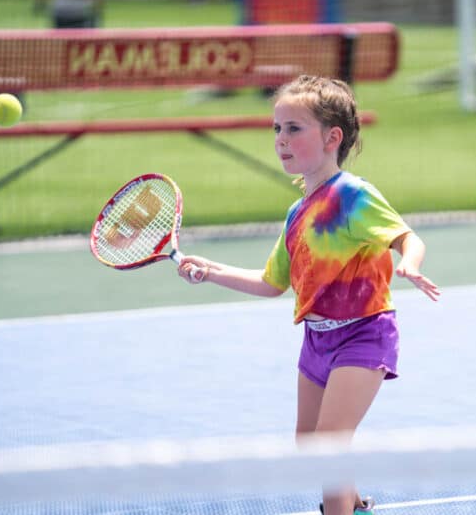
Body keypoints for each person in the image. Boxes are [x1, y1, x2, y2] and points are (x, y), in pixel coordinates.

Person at [177, 75, 439, 515]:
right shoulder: (297, 213)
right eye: (277, 129)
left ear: (332, 137)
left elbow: (407, 238)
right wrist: (209, 271)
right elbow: (271, 283)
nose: (281, 139)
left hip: (364, 334)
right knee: (309, 444)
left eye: (294, 128)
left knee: (330, 447)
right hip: (317, 340)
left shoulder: (353, 196)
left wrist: (409, 263)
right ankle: (357, 507)